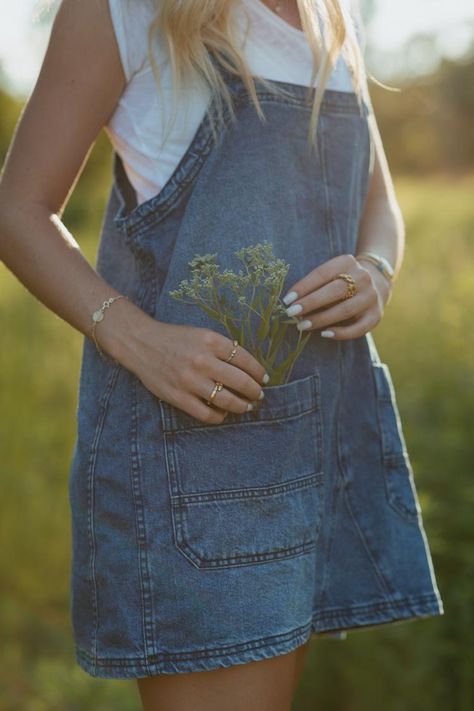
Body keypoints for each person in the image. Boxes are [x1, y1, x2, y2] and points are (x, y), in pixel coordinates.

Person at [0, 1, 444, 709]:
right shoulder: (123, 10)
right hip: (199, 468)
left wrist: (376, 271)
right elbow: (17, 208)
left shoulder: (333, 21)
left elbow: (378, 204)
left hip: (316, 444)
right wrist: (135, 335)